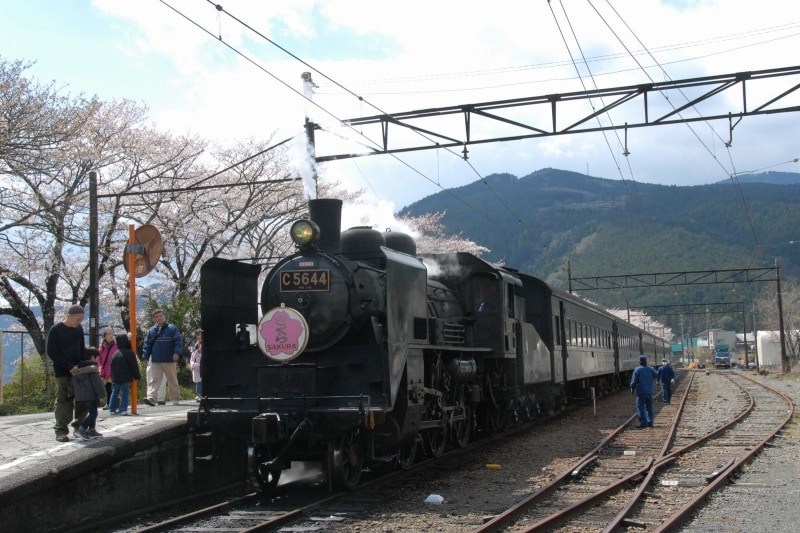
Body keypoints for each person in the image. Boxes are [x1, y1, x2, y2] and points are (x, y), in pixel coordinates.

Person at [46, 304, 89, 442]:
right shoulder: (56, 330)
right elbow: (52, 352)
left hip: (78, 370)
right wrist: (68, 366)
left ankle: (80, 427)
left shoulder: (79, 329)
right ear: (69, 316)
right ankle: (61, 430)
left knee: (83, 398)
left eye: (81, 320)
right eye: (78, 319)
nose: (79, 322)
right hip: (62, 370)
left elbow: (82, 349)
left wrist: (85, 365)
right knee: (64, 399)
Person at [140, 309, 183, 406]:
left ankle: (175, 398)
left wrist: (177, 352)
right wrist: (145, 357)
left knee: (172, 379)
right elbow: (147, 345)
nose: (159, 318)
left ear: (164, 316)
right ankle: (151, 397)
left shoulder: (172, 328)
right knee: (154, 379)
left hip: (169, 359)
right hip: (156, 359)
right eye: (156, 317)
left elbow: (178, 341)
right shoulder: (151, 330)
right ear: (154, 319)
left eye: (160, 316)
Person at [70, 347, 107, 439]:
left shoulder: (76, 370)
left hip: (80, 396)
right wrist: (102, 395)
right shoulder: (93, 370)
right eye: (97, 358)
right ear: (92, 358)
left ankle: (92, 430)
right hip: (91, 395)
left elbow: (71, 383)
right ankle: (81, 429)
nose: (98, 360)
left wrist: (70, 392)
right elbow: (97, 384)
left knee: (91, 412)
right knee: (93, 413)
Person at [108, 333, 142, 416]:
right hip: (126, 377)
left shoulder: (115, 354)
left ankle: (112, 409)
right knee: (125, 392)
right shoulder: (129, 353)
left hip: (116, 378)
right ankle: (123, 409)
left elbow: (112, 367)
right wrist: (137, 376)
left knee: (115, 392)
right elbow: (133, 366)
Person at [630, 354, 658, 428]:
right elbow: (657, 375)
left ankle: (643, 422)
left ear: (639, 361)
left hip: (641, 392)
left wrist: (632, 388)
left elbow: (634, 381)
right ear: (646, 361)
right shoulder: (650, 369)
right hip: (650, 391)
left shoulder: (637, 369)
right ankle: (650, 422)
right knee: (649, 407)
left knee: (640, 407)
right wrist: (653, 369)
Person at [98, 329, 117, 410]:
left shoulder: (116, 346)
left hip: (114, 369)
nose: (110, 336)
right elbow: (99, 359)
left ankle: (113, 403)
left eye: (111, 334)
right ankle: (109, 403)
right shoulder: (102, 347)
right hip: (105, 370)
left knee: (115, 387)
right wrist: (100, 366)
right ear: (105, 337)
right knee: (107, 388)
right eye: (108, 334)